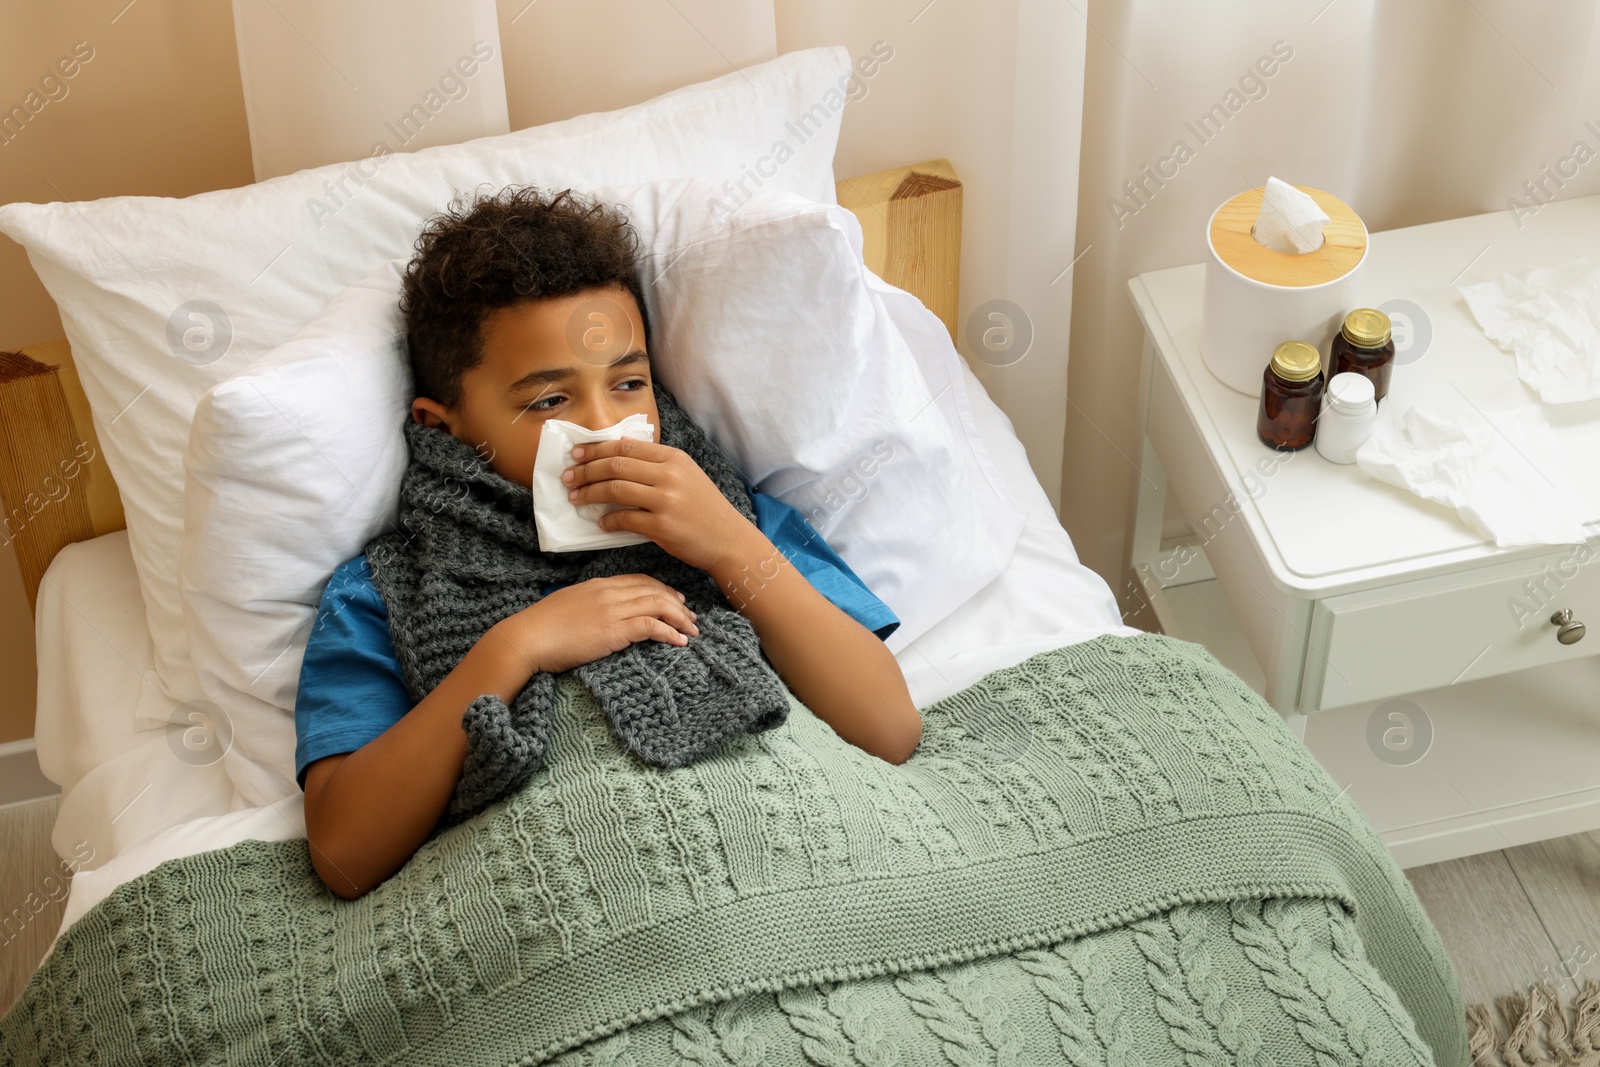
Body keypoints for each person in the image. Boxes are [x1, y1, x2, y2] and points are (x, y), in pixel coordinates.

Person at [295, 187, 923, 900]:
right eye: (549, 401)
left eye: (628, 383)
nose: (602, 424)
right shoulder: (388, 590)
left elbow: (889, 727)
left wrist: (726, 544)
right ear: (444, 428)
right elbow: (344, 851)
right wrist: (518, 645)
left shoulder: (731, 517)